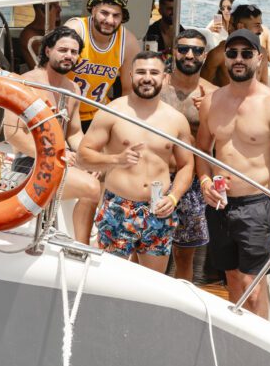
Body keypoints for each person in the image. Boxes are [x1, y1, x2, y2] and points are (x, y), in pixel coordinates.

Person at [196, 29, 270, 318]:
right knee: (232, 282)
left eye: (246, 53)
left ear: (259, 58)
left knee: (253, 289)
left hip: (255, 206)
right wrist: (204, 181)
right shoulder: (211, 102)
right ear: (225, 58)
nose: (238, 59)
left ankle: (261, 344)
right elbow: (202, 150)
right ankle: (238, 340)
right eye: (232, 53)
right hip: (218, 205)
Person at [78, 51, 194, 273]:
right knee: (110, 280)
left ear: (165, 78)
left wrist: (174, 197)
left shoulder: (177, 120)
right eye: (141, 72)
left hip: (158, 210)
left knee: (152, 282)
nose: (147, 78)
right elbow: (84, 156)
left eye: (154, 72)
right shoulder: (113, 111)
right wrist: (115, 159)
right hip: (118, 208)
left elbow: (186, 166)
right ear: (130, 76)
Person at [4, 26, 100, 244]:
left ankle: (80, 242)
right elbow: (12, 134)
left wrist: (89, 159)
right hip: (29, 162)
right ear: (47, 51)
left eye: (74, 52)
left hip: (60, 159)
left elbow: (74, 132)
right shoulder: (24, 83)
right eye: (63, 49)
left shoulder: (73, 89)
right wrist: (56, 153)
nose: (69, 56)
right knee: (91, 188)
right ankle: (81, 246)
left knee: (101, 178)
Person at [160, 29, 217, 281]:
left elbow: (221, 139)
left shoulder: (213, 94)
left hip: (192, 180)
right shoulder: (155, 85)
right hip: (156, 176)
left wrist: (209, 112)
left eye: (196, 50)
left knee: (185, 256)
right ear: (174, 52)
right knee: (145, 244)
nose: (189, 55)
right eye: (183, 49)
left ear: (205, 55)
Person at [65, 0, 140, 132]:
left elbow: (128, 89)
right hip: (65, 111)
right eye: (104, 13)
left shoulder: (128, 42)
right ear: (93, 10)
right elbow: (52, 73)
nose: (109, 20)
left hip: (98, 113)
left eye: (116, 15)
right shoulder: (76, 30)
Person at [201, 0, 270, 88]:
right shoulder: (218, 53)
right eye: (257, 25)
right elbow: (202, 85)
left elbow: (264, 84)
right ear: (241, 27)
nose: (261, 30)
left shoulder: (262, 52)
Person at [19, 2, 62, 71]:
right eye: (56, 6)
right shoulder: (29, 35)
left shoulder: (55, 29)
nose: (60, 9)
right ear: (44, 10)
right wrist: (51, 22)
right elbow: (52, 58)